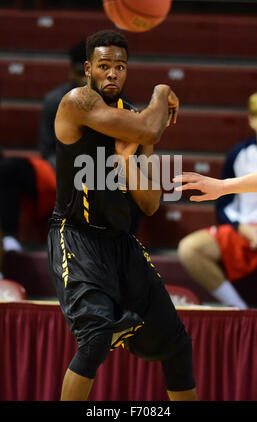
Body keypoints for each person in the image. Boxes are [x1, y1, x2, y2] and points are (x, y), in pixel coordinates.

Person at [48, 29, 197, 401]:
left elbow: (149, 203)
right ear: (87, 69)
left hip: (121, 243)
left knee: (177, 344)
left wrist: (127, 161)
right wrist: (163, 90)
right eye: (104, 66)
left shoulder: (133, 117)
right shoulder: (77, 102)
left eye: (120, 67)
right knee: (96, 336)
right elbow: (151, 125)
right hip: (77, 235)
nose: (112, 74)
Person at [0, 41, 87, 279]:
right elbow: (47, 148)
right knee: (8, 168)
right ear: (70, 70)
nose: (83, 80)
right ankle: (10, 237)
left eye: (87, 74)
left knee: (138, 177)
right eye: (78, 73)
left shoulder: (117, 102)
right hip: (57, 170)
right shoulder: (54, 100)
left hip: (100, 174)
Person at [175, 92, 257, 309]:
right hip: (243, 229)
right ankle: (239, 310)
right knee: (190, 248)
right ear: (250, 119)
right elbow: (224, 206)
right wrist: (243, 228)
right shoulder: (239, 153)